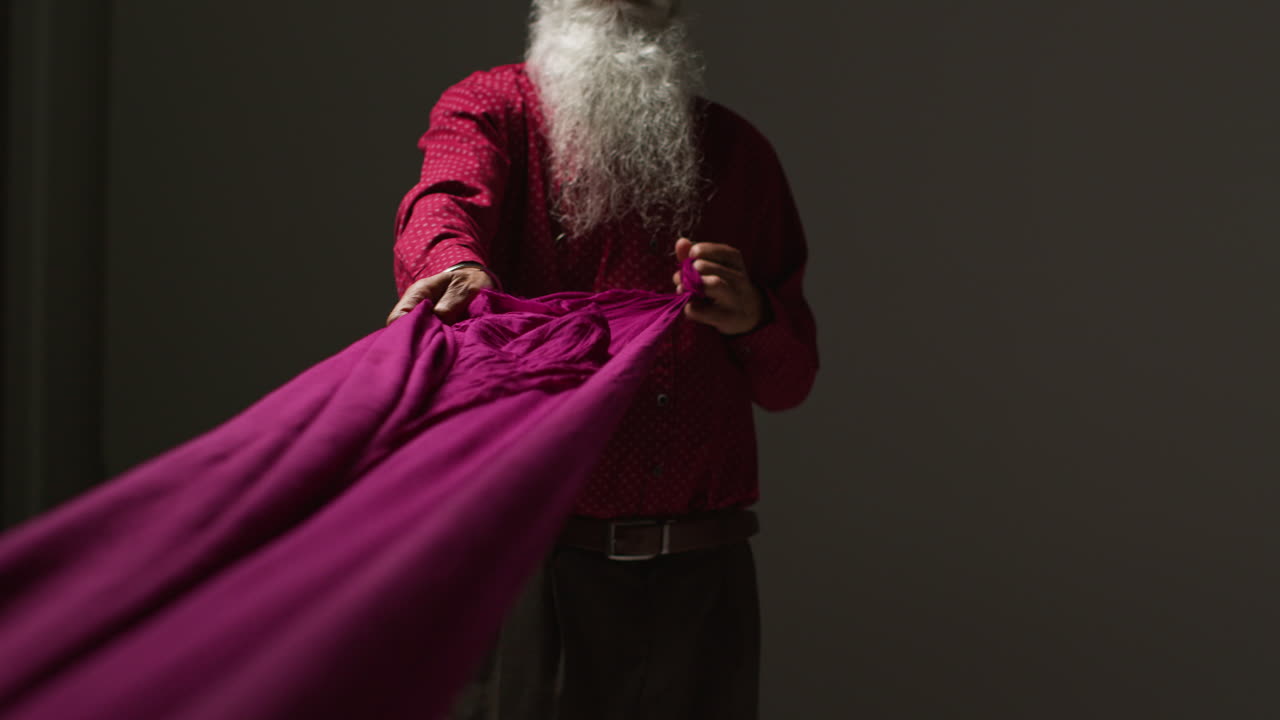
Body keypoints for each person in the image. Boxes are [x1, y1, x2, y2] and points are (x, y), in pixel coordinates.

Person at [387, 0, 818, 717]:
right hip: (533, 568)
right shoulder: (494, 109)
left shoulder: (740, 153)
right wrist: (452, 263)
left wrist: (754, 319)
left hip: (703, 580)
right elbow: (444, 202)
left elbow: (790, 381)